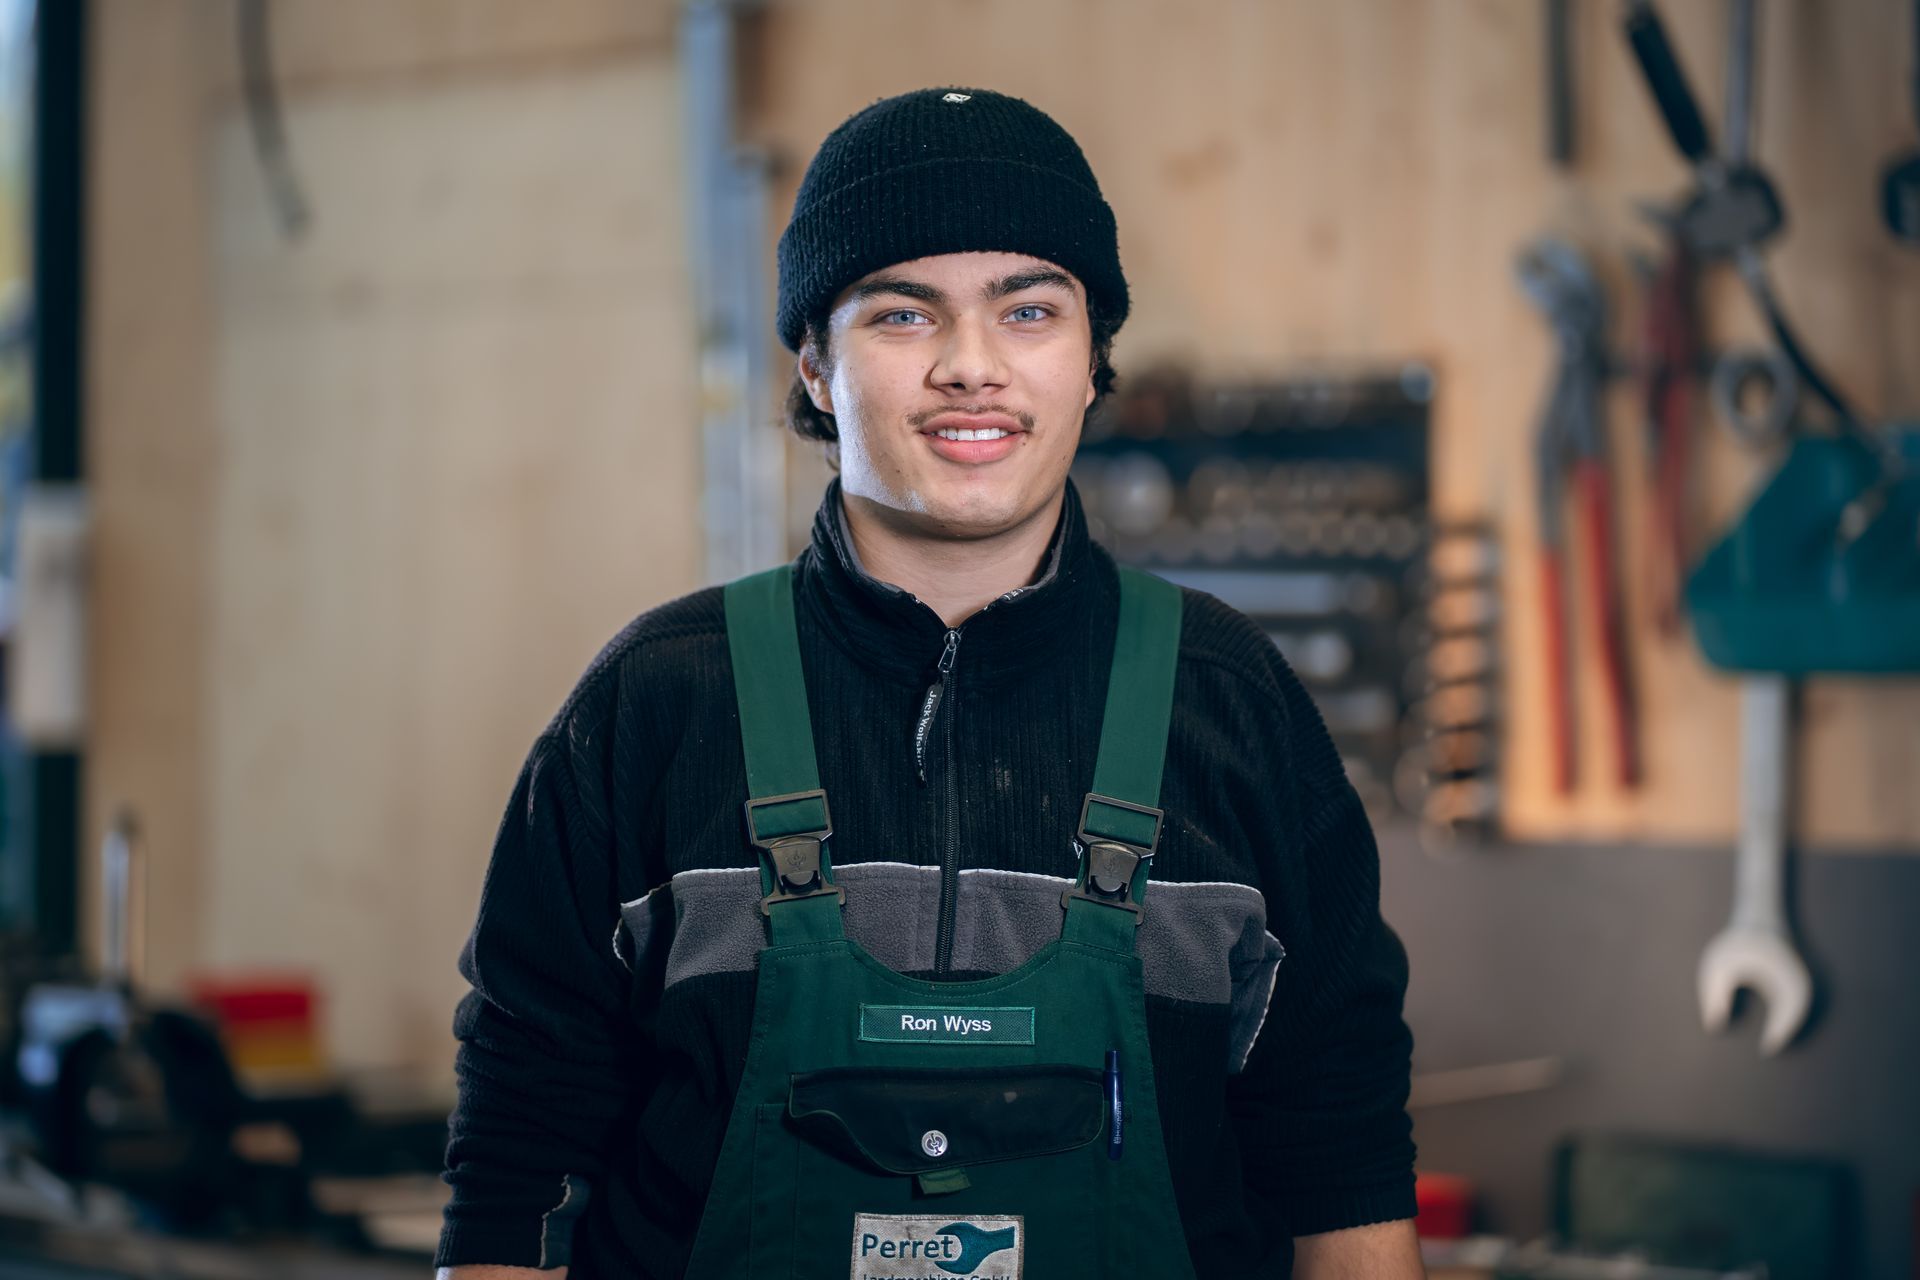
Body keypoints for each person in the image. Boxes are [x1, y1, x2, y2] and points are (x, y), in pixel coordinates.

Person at [436, 87, 1422, 1280]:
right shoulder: (657, 702)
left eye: (1030, 309)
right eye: (904, 314)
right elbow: (517, 1147)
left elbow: (1341, 1143)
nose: (972, 367)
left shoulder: (1232, 703)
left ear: (1093, 356)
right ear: (813, 361)